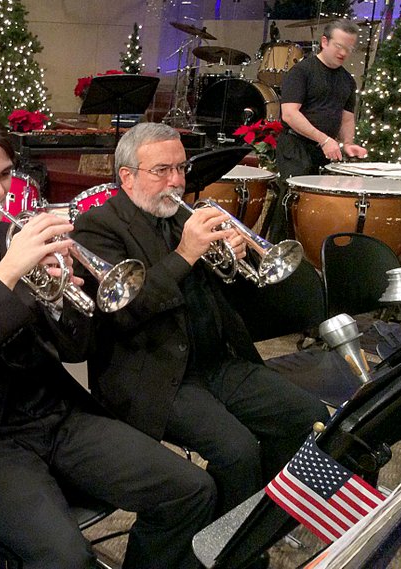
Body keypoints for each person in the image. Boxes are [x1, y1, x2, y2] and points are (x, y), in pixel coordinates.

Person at [0, 107, 216, 569]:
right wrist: (10, 272)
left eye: (5, 175)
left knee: (191, 490)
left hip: (53, 412)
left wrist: (60, 298)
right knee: (67, 558)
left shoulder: (15, 236)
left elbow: (78, 349)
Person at [71, 122, 330, 517]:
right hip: (155, 375)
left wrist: (235, 261)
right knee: (237, 451)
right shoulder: (98, 227)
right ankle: (219, 545)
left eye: (181, 168)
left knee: (305, 416)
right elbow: (123, 312)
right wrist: (185, 255)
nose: (176, 181)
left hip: (217, 360)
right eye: (162, 170)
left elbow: (227, 299)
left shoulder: (179, 214)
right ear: (127, 176)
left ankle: (258, 517)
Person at [267, 18, 367, 241]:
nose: (343, 53)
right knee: (292, 203)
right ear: (324, 41)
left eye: (349, 48)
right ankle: (275, 250)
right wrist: (324, 139)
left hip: (324, 150)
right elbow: (290, 114)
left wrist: (348, 144)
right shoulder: (302, 72)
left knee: (320, 205)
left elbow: (347, 118)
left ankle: (311, 252)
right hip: (296, 147)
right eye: (339, 46)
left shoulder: (347, 81)